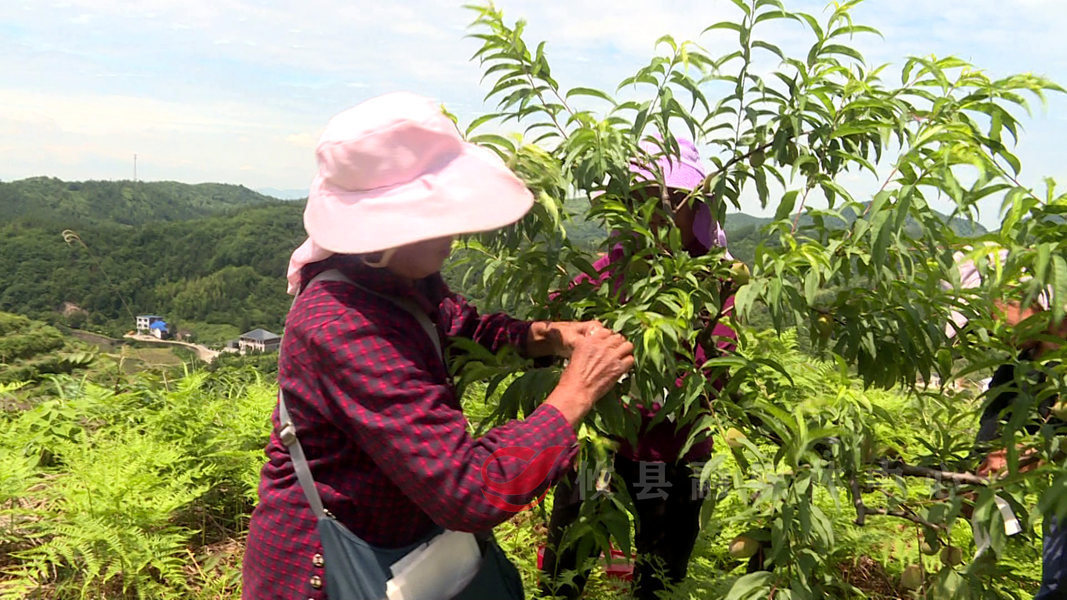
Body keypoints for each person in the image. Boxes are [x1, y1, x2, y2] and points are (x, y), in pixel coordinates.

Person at [241, 92, 636, 600]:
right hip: (328, 571)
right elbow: (470, 489)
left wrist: (547, 336)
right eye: (439, 216)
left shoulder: (391, 277)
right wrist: (576, 392)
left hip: (401, 545)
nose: (455, 231)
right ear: (388, 231)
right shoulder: (343, 324)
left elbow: (456, 324)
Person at [538, 136, 739, 600]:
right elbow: (561, 323)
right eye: (643, 201)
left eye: (673, 203)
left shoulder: (714, 281)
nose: (657, 215)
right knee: (566, 560)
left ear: (698, 210)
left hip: (674, 449)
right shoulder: (612, 268)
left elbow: (718, 366)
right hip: (600, 442)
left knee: (660, 574)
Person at [946, 245, 1067, 599]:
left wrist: (1039, 455)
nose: (987, 330)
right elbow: (990, 448)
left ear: (1031, 296)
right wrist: (966, 487)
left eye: (988, 311)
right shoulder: (1017, 373)